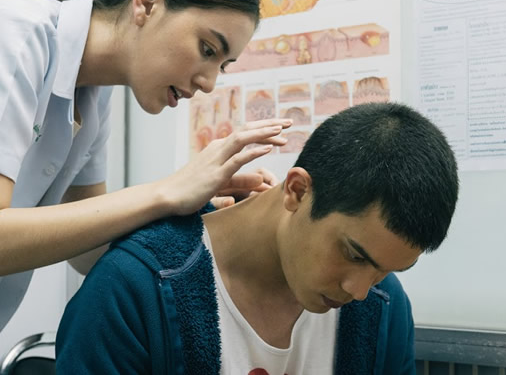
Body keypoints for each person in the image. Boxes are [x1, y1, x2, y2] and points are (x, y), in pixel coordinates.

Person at [55, 102, 460, 374]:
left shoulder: (383, 306)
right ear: (297, 191)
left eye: (386, 270)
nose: (359, 291)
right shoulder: (133, 288)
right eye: (354, 255)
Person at [0, 0, 292, 284]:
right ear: (148, 1)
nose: (209, 84)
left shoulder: (94, 94)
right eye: (208, 50)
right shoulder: (15, 32)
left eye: (222, 66)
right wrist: (165, 193)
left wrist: (195, 210)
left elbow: (87, 254)